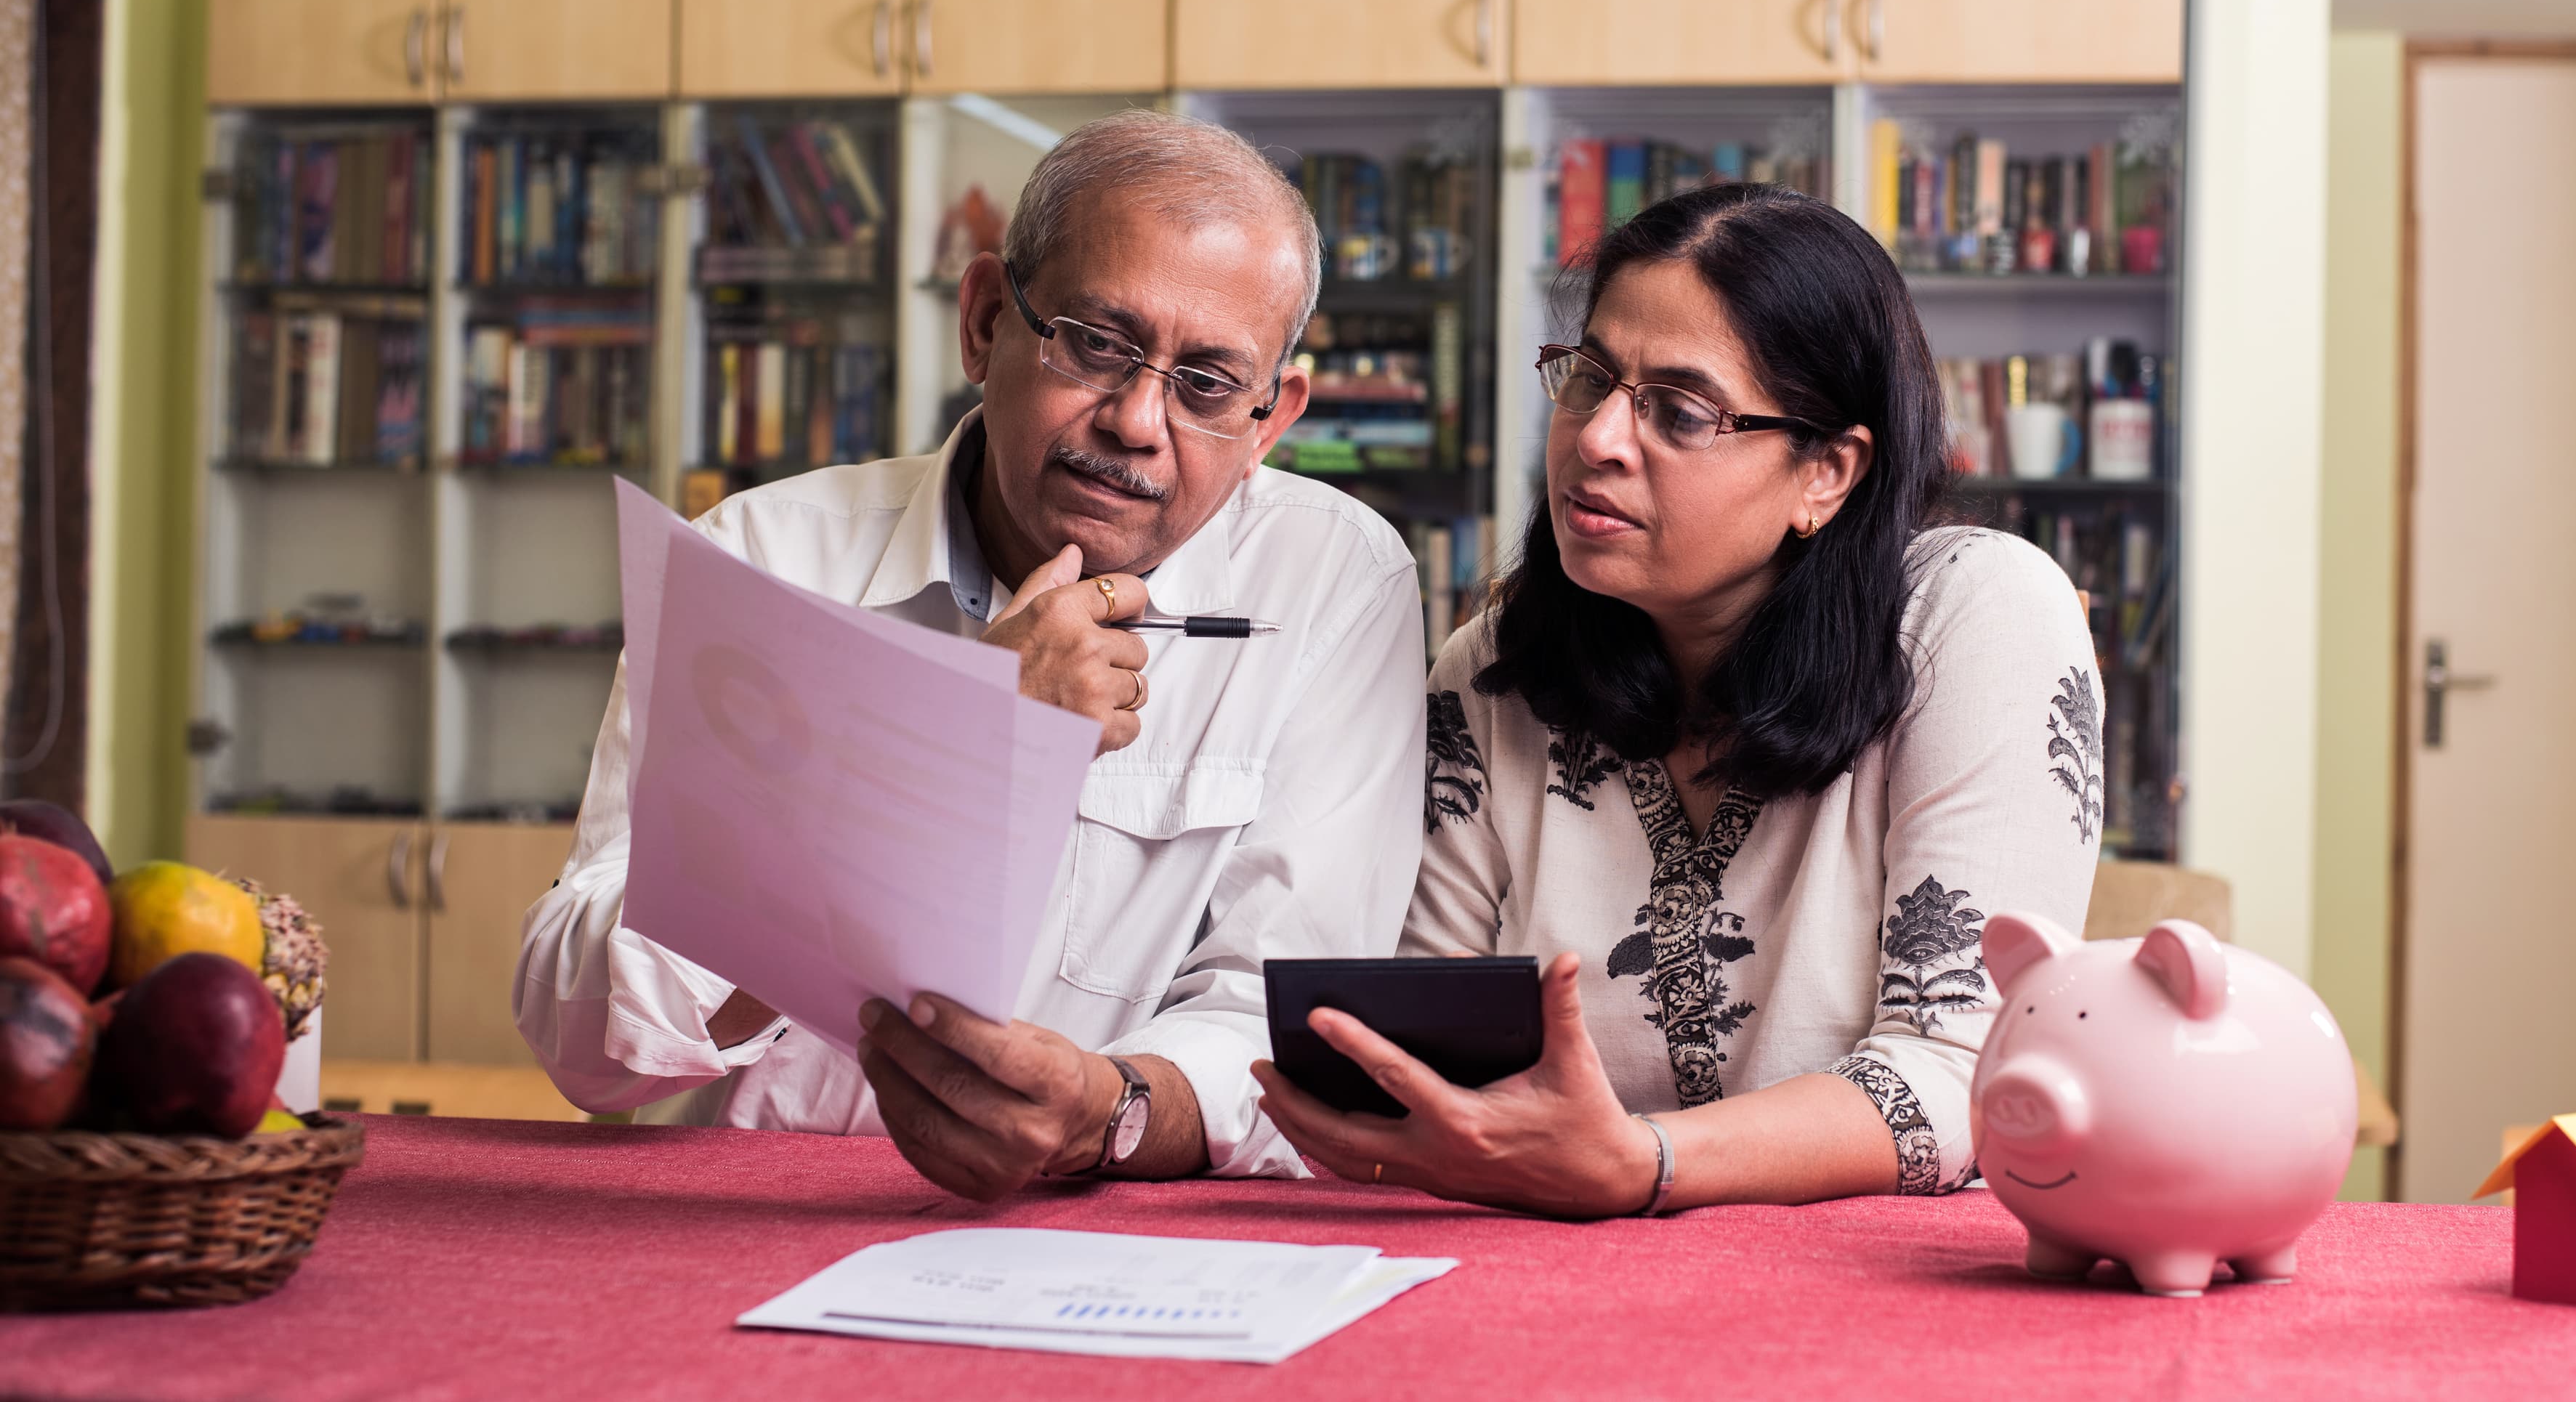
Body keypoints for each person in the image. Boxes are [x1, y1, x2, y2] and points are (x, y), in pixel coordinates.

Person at [517, 111, 1427, 1197]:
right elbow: (586, 1049)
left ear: (1270, 421)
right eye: (1097, 343)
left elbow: (1288, 1025)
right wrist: (947, 747)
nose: (1139, 421)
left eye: (1208, 383)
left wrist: (1104, 1113)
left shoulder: (1334, 579)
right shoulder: (761, 557)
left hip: (1125, 1230)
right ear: (987, 320)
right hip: (759, 1222)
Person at [1251, 185, 2101, 1215]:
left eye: (1682, 412)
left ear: (1827, 472)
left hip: (1877, 1278)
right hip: (1547, 1262)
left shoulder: (1974, 615)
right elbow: (1417, 1049)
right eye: (1590, 378)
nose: (1598, 438)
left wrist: (1641, 1162)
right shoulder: (1496, 669)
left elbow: (1967, 1069)